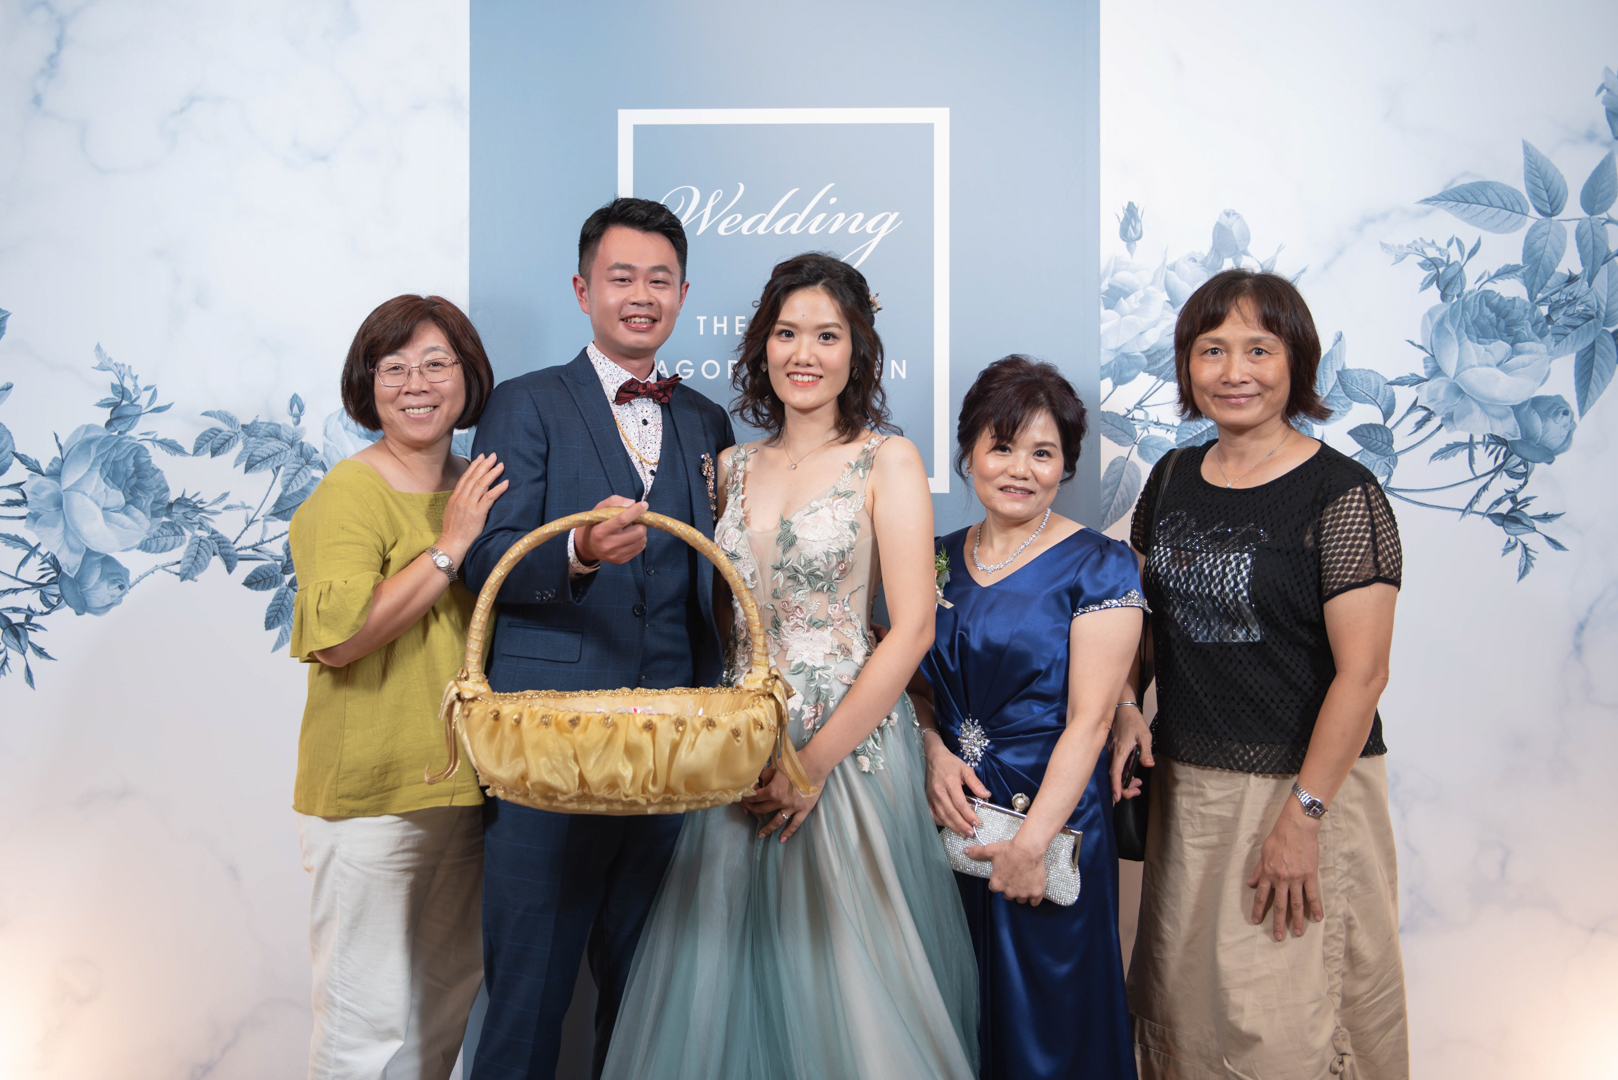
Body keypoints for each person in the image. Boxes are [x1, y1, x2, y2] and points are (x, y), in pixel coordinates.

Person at [599, 253, 979, 1080]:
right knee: (726, 975)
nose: (804, 353)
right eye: (786, 333)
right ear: (762, 346)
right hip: (737, 747)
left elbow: (912, 628)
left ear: (857, 350)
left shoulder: (887, 459)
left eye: (827, 335)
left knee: (848, 979)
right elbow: (718, 615)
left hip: (845, 747)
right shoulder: (731, 466)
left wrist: (811, 764)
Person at [460, 197, 737, 1080]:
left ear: (684, 294)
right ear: (583, 290)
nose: (641, 296)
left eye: (660, 280)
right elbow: (484, 561)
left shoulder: (708, 421)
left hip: (672, 756)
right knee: (526, 1003)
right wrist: (576, 552)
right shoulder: (524, 404)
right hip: (546, 752)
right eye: (621, 278)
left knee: (650, 1005)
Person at [1111, 268, 1408, 1078]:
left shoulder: (1343, 495)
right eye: (1212, 350)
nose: (1233, 370)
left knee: (1289, 1027)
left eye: (1258, 349)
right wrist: (1128, 702)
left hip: (1303, 792)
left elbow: (1364, 675)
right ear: (1187, 364)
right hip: (1189, 795)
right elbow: (1140, 622)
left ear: (1295, 362)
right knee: (1186, 1018)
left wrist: (1302, 820)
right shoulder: (1171, 478)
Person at [289, 294, 507, 1080]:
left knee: (438, 1020)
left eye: (436, 363)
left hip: (467, 787)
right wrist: (449, 548)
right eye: (394, 367)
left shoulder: (478, 483)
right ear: (368, 385)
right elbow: (340, 639)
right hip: (373, 794)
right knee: (362, 1029)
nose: (417, 383)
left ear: (467, 376)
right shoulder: (351, 490)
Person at [912, 356, 1145, 1080]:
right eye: (1002, 447)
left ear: (1065, 465)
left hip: (1052, 822)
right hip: (948, 818)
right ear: (969, 453)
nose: (1020, 469)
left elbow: (1091, 723)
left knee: (1052, 1024)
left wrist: (1032, 844)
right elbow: (914, 690)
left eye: (1043, 453)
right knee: (953, 1013)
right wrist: (931, 749)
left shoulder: (1100, 564)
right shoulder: (935, 559)